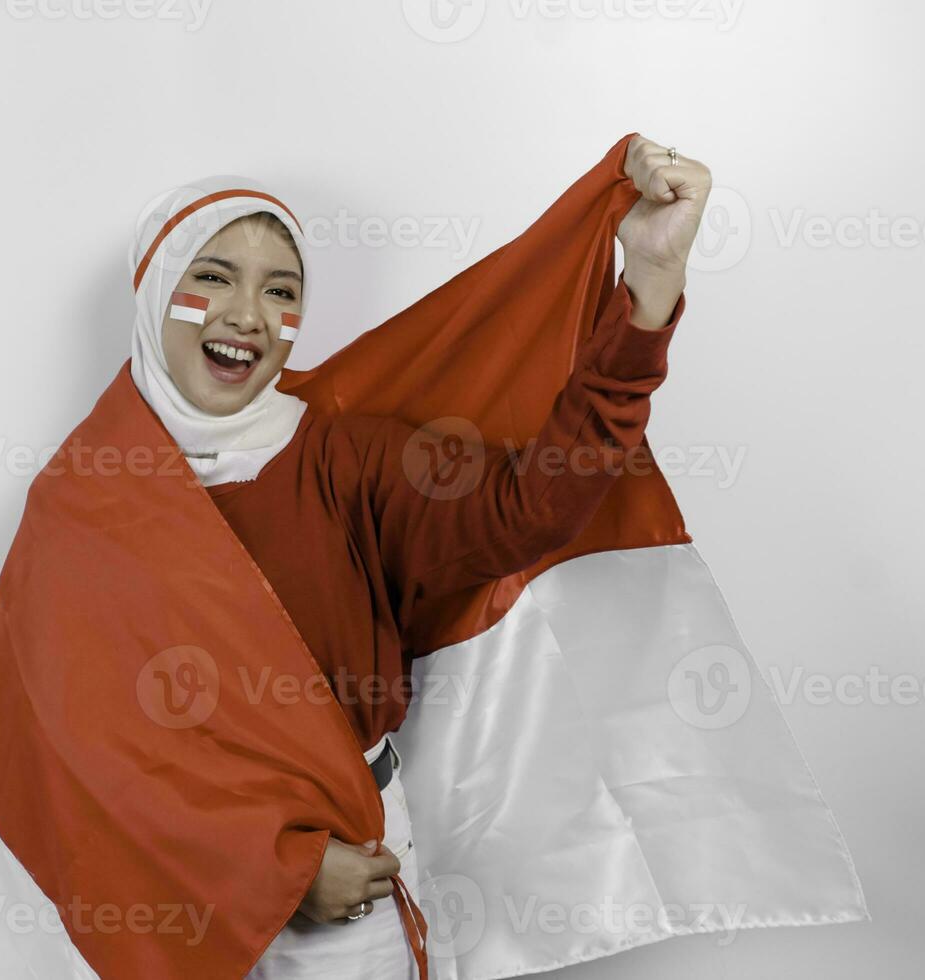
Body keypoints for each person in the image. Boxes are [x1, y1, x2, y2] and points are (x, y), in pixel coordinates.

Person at [122, 133, 707, 978]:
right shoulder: (86, 501)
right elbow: (84, 746)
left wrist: (647, 289)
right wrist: (268, 864)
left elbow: (528, 509)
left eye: (280, 289)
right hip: (163, 892)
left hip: (350, 876)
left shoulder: (340, 460)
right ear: (150, 287)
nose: (249, 313)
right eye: (212, 275)